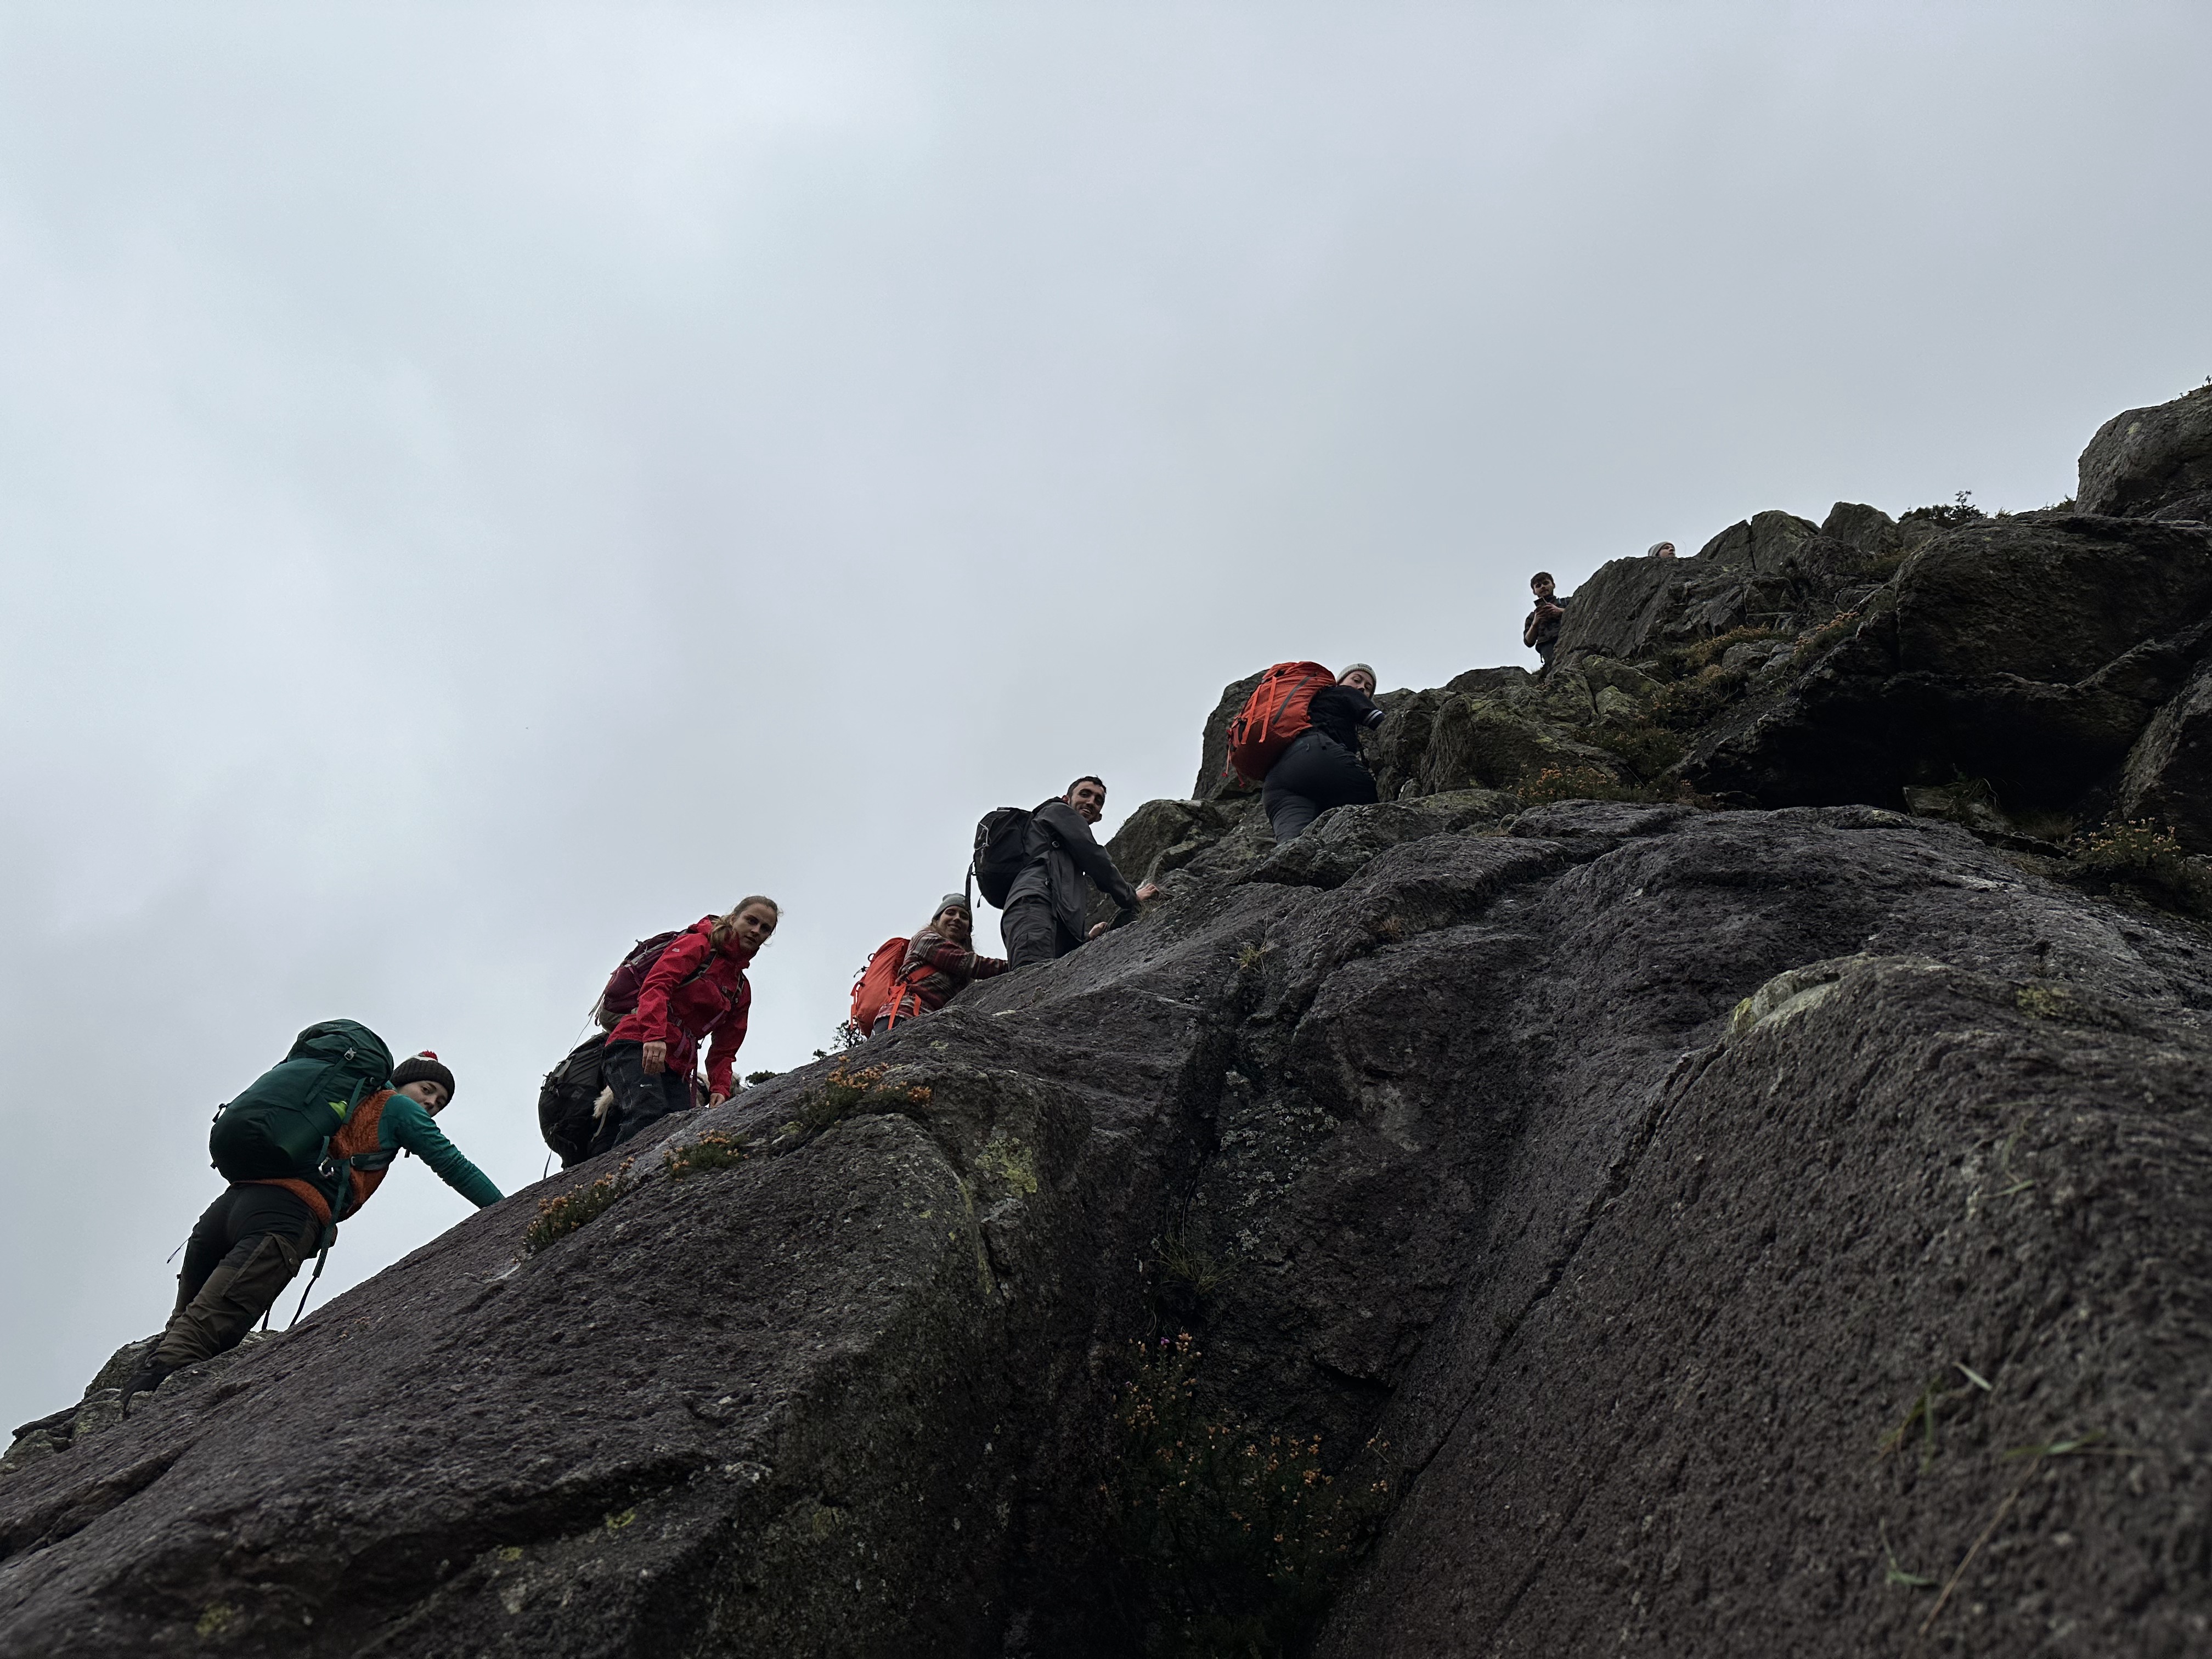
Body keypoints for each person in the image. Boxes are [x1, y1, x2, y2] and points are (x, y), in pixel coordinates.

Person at [122, 1052, 499, 1410]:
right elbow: (454, 1165)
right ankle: (140, 1424)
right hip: (286, 1218)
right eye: (427, 1090)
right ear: (401, 1083)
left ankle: (119, 1415)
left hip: (228, 1209)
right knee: (200, 1338)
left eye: (441, 1102)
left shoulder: (336, 1100)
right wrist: (509, 1209)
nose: (432, 1103)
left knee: (181, 1326)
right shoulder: (398, 1108)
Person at [602, 898, 777, 1144]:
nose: (756, 930)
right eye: (751, 921)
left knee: (677, 1131)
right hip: (636, 1043)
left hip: (680, 1066)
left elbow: (725, 1049)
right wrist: (655, 1036)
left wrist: (719, 1088)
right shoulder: (699, 944)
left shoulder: (740, 988)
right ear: (733, 918)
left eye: (765, 928)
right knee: (646, 1115)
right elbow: (657, 986)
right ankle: (620, 1170)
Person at [1002, 777, 1161, 969]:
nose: (1091, 802)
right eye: (1085, 794)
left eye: (1098, 801)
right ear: (1066, 799)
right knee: (1030, 977)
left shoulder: (1064, 851)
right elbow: (1095, 858)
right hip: (1033, 905)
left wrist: (1083, 939)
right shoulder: (1058, 810)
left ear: (1098, 816)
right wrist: (1131, 897)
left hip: (1046, 912)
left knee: (1052, 981)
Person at [1261, 664, 1386, 842]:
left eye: (1367, 688)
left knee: (1291, 847)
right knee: (1372, 800)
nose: (1361, 688)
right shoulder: (1345, 692)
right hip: (1316, 755)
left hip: (1278, 781)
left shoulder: (1310, 705)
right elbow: (1383, 723)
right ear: (1338, 683)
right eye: (1356, 680)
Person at [873, 895, 1009, 1032]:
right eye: (950, 913)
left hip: (930, 1021)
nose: (957, 918)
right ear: (936, 920)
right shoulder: (924, 939)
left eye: (964, 916)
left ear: (967, 931)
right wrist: (1012, 965)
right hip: (903, 1014)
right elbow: (967, 963)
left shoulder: (962, 973)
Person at [1523, 572, 1566, 668]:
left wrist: (1561, 611)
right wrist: (1535, 623)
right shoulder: (1532, 617)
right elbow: (1528, 642)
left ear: (1553, 585)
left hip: (1568, 638)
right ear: (1534, 592)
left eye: (1546, 583)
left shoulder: (1566, 602)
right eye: (1538, 586)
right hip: (1547, 649)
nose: (1543, 587)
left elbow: (1584, 613)